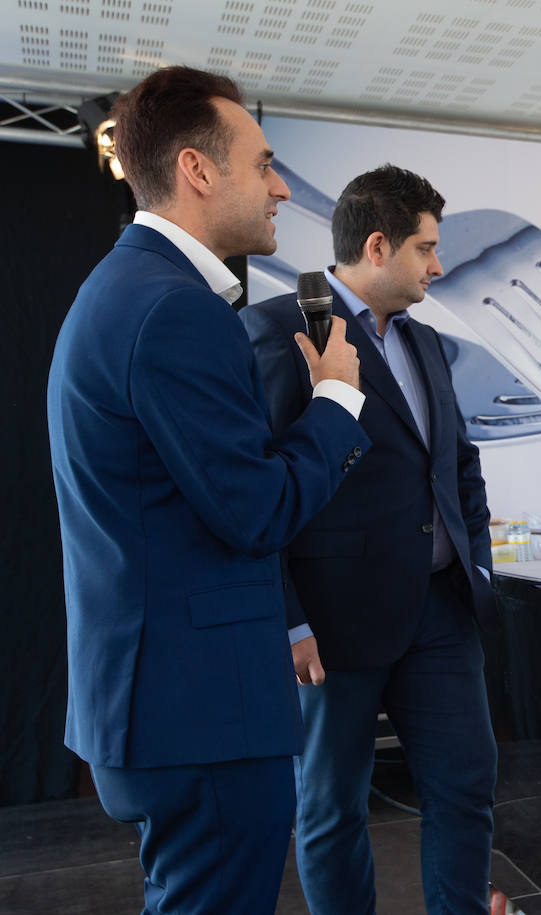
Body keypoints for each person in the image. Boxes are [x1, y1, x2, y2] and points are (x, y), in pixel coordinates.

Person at [46, 66, 368, 912]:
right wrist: (335, 399)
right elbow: (256, 509)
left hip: (163, 702)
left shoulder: (124, 291)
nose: (282, 187)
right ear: (197, 170)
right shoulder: (172, 309)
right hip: (198, 708)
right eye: (263, 164)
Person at [241, 165, 499, 915]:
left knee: (467, 785)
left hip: (440, 617)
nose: (439, 266)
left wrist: (473, 560)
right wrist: (288, 617)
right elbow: (258, 491)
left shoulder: (427, 345)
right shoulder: (277, 332)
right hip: (332, 625)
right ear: (379, 246)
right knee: (330, 807)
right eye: (426, 249)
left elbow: (457, 463)